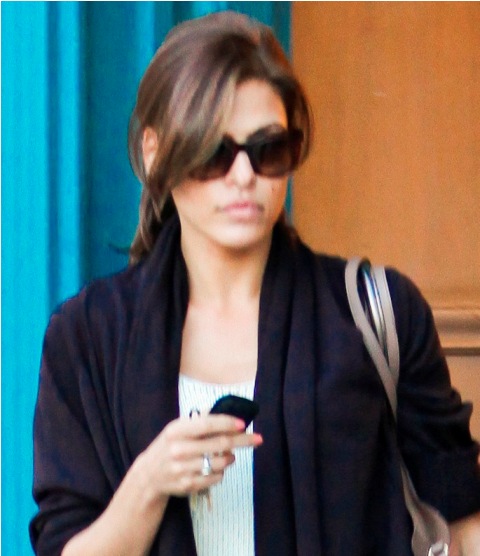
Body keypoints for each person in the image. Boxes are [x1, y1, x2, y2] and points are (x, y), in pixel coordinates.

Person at [30, 10, 480, 556]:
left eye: (268, 150)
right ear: (156, 153)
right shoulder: (86, 338)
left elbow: (462, 519)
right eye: (214, 153)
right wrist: (150, 481)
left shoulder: (376, 313)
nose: (243, 176)